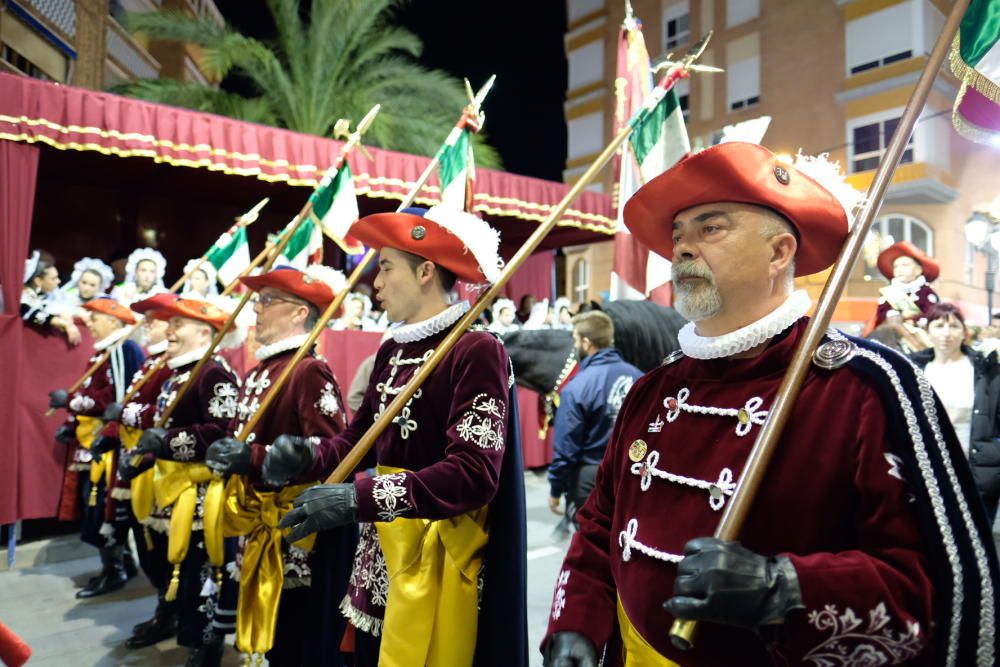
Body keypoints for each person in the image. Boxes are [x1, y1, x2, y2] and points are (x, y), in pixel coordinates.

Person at [542, 143, 999, 666]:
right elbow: (600, 525)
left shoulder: (868, 388)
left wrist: (784, 589)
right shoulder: (652, 390)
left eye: (710, 228)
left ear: (780, 252)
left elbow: (938, 588)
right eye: (678, 234)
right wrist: (575, 623)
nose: (683, 249)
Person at [262, 205, 528, 667]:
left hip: (441, 560)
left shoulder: (476, 348)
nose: (376, 283)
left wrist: (357, 498)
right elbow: (355, 441)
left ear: (426, 271)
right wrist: (304, 458)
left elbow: (473, 475)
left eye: (385, 267)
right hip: (381, 552)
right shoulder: (392, 348)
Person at [204, 264, 354, 666]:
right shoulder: (262, 369)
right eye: (258, 300)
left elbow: (329, 452)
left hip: (291, 535)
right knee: (274, 634)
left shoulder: (308, 369)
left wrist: (254, 457)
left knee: (295, 635)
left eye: (267, 300)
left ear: (299, 313)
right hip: (257, 520)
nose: (256, 309)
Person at [123, 296, 240, 667]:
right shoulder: (176, 372)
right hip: (168, 489)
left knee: (197, 575)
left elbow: (223, 433)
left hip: (201, 494)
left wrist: (168, 442)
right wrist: (143, 458)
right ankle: (170, 618)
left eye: (178, 324)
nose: (168, 330)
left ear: (204, 331)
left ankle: (203, 645)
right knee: (162, 562)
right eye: (168, 324)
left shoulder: (213, 372)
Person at [48, 297, 144, 598]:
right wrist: (72, 422)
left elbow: (114, 401)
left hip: (108, 446)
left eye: (95, 317)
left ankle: (114, 569)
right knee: (94, 508)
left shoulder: (121, 350)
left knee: (103, 510)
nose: (89, 323)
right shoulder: (103, 352)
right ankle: (120, 563)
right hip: (91, 444)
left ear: (113, 322)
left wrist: (72, 402)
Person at [96, 293, 178, 649]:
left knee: (159, 546)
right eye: (147, 320)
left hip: (156, 468)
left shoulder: (169, 366)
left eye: (156, 321)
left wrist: (123, 416)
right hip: (135, 464)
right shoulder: (152, 363)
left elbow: (156, 414)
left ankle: (169, 610)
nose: (149, 327)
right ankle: (163, 606)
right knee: (143, 540)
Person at [547, 311, 642, 523]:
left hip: (590, 478)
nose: (575, 346)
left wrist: (556, 488)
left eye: (575, 340)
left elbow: (566, 448)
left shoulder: (577, 388)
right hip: (632, 474)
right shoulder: (640, 378)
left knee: (592, 547)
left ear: (587, 343)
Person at [910, 303, 1000, 523]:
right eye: (939, 326)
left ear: (964, 332)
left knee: (978, 536)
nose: (946, 333)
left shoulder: (984, 369)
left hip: (976, 469)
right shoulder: (913, 368)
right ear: (928, 330)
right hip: (927, 468)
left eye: (953, 326)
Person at [869, 241, 941, 335]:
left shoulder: (926, 292)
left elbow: (933, 315)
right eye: (896, 266)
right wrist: (900, 316)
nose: (899, 269)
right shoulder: (890, 292)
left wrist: (914, 319)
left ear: (918, 270)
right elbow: (881, 315)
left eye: (905, 265)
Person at [21, 251, 81, 346]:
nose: (58, 281)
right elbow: (31, 313)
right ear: (38, 281)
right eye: (53, 278)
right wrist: (65, 324)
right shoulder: (22, 296)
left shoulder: (47, 295)